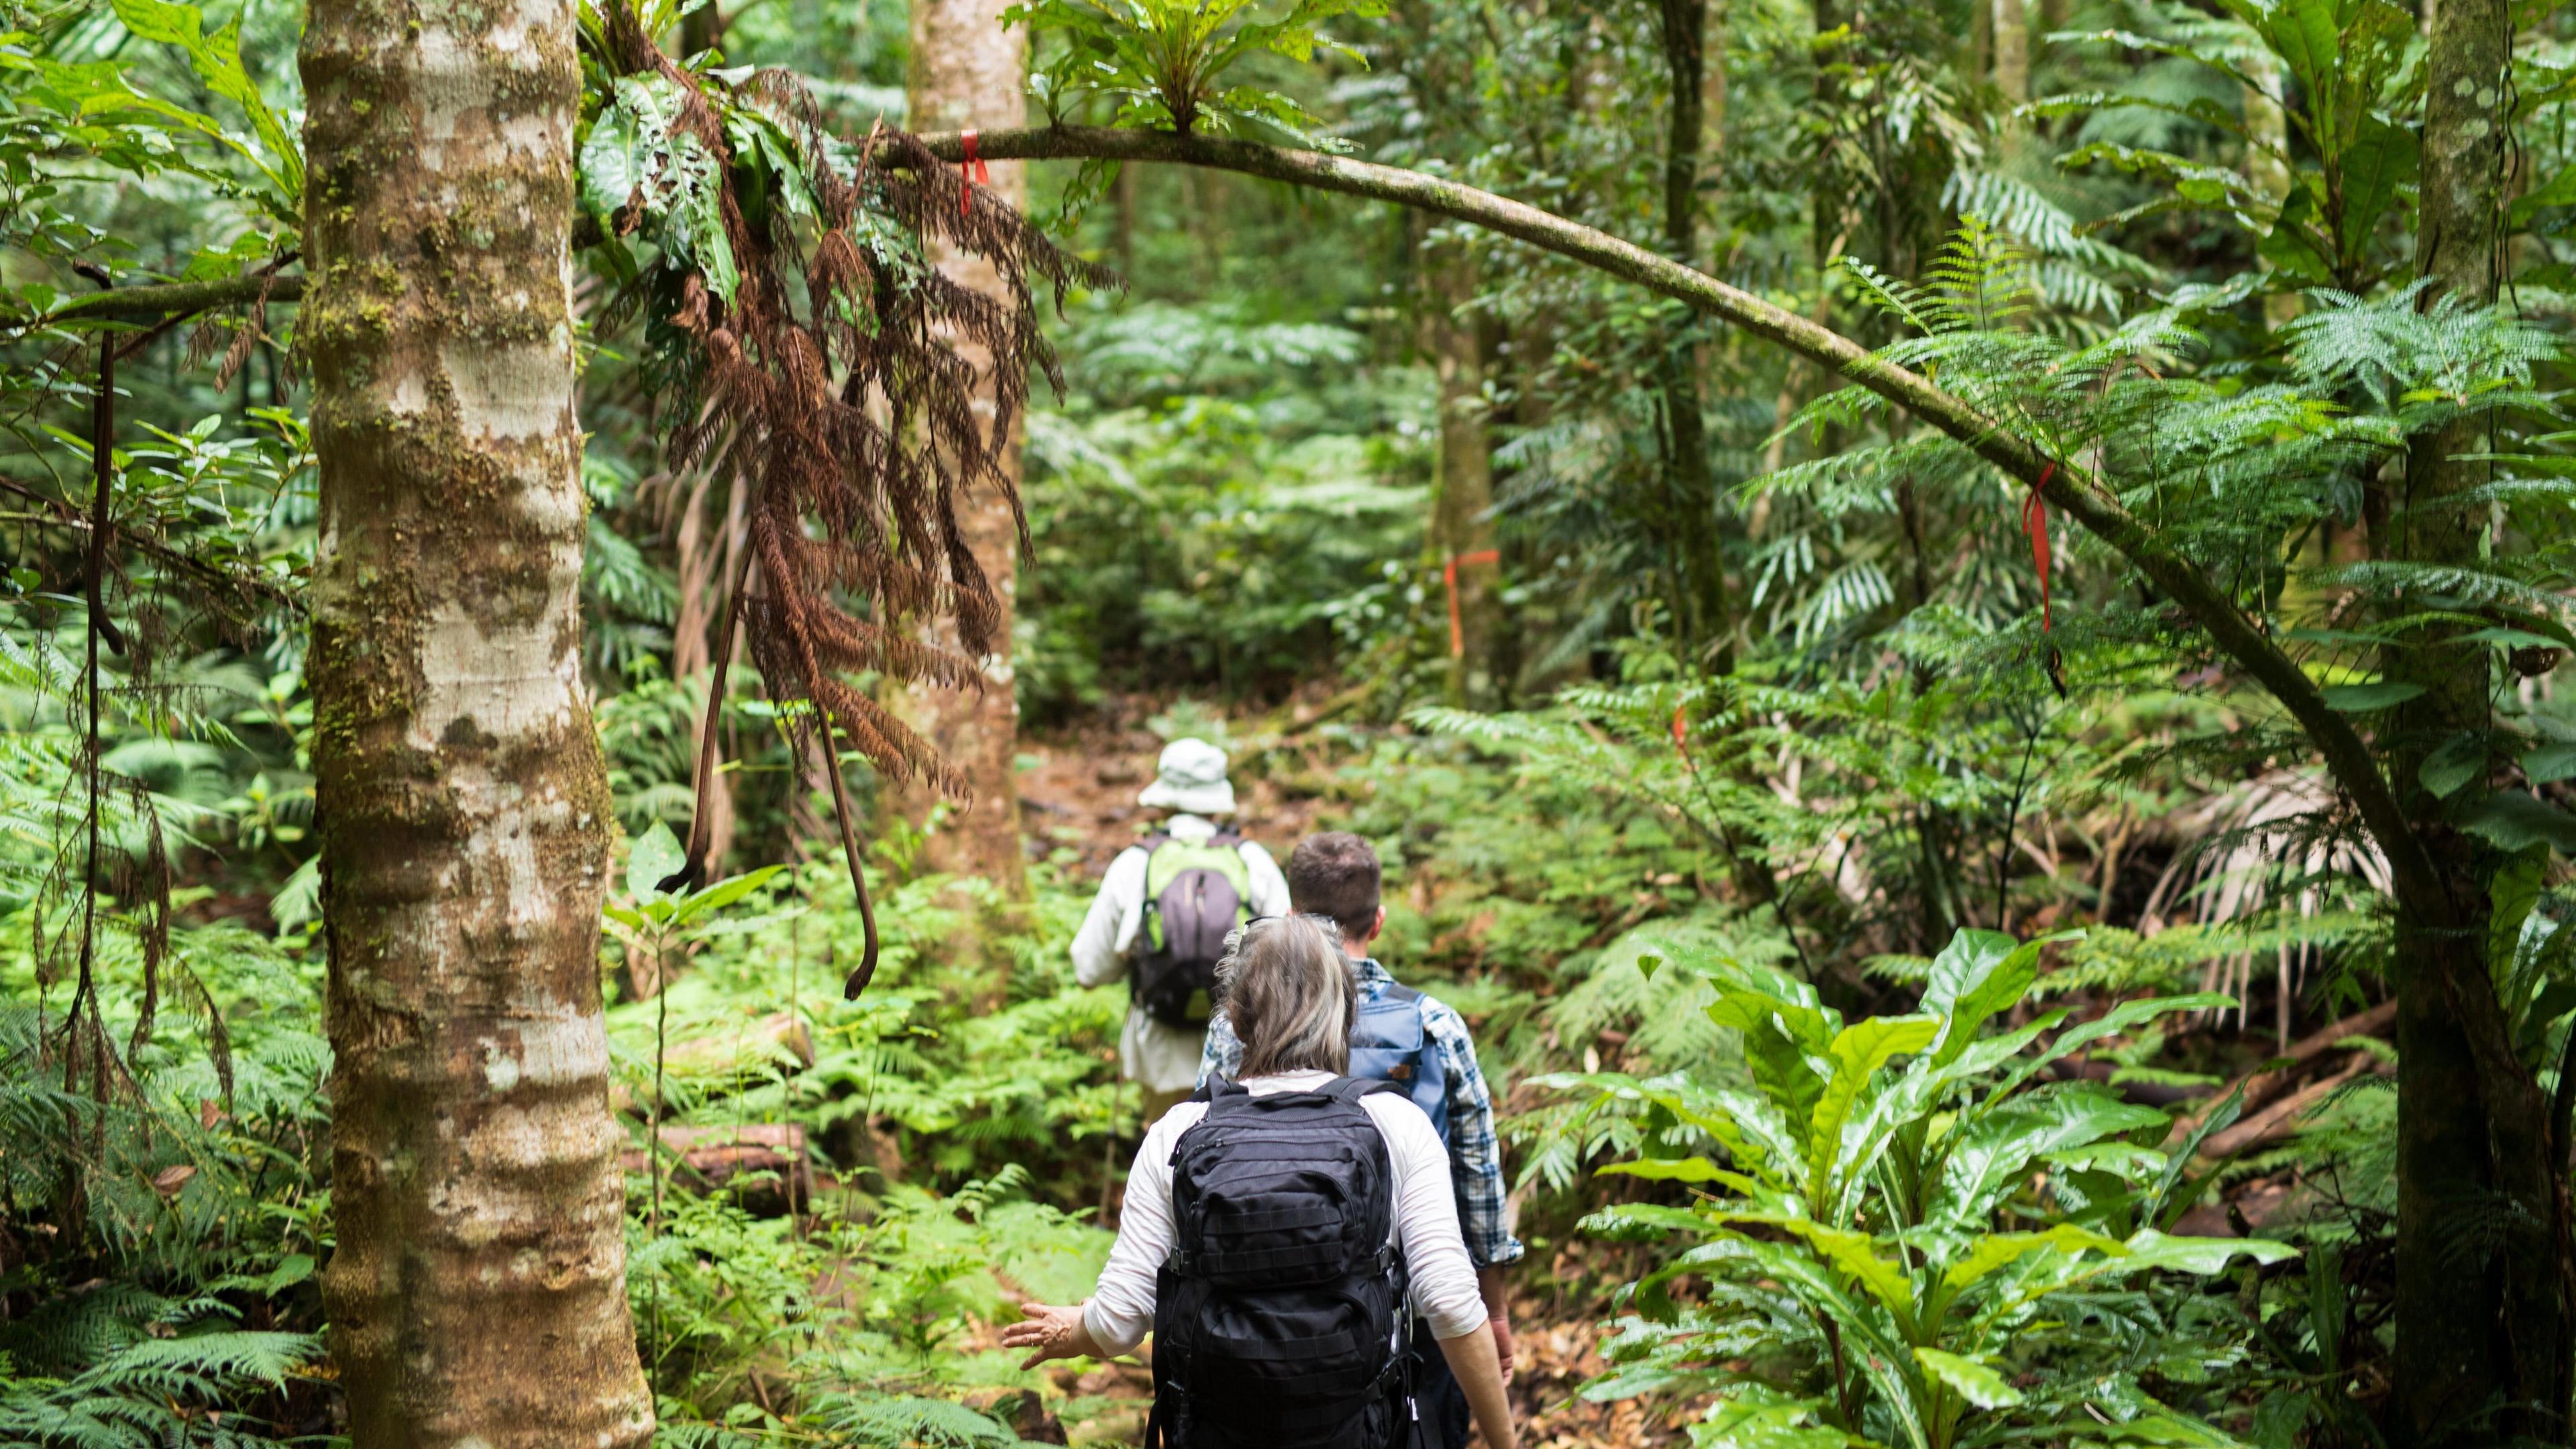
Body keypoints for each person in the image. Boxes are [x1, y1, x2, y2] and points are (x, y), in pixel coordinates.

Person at [1006, 914, 1518, 1449]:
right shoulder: (1395, 1122)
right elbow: (1451, 1304)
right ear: (1345, 1008)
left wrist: (1073, 1329)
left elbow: (1119, 1321)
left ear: (1233, 1013)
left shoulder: (1179, 1131)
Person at [1199, 833, 1523, 1449]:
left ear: (1294, 919)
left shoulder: (1235, 1024)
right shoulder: (1436, 1024)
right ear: (1378, 919)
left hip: (1268, 1302)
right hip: (1419, 1299)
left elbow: (1203, 1142)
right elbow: (1479, 1172)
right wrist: (1493, 1306)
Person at [1070, 738, 1289, 1123]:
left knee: (1168, 1158)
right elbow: (1291, 966)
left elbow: (1089, 968)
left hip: (1161, 1051)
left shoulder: (1135, 864)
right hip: (1247, 1053)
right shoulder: (1253, 861)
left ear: (1164, 797)